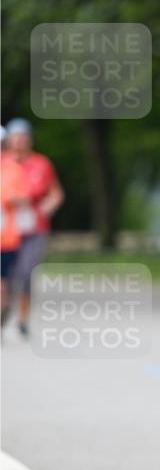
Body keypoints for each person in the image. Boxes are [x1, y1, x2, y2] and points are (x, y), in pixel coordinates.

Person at [5, 118, 65, 337]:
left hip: (35, 228)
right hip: (8, 229)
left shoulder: (41, 164)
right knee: (8, 276)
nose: (19, 141)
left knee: (27, 272)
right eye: (15, 137)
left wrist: (47, 208)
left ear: (29, 140)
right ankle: (4, 313)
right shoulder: (3, 163)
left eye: (23, 137)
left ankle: (22, 319)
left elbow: (56, 194)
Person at [1, 126, 29, 332]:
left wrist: (12, 199)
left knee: (4, 283)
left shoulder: (13, 169)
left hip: (6, 237)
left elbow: (24, 198)